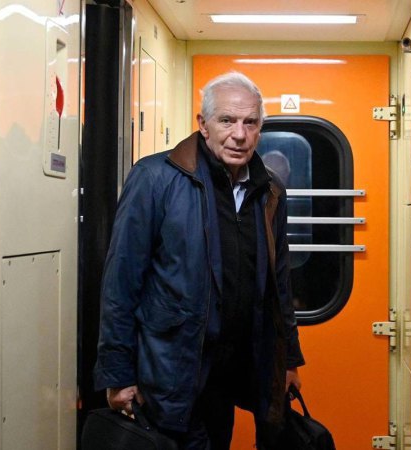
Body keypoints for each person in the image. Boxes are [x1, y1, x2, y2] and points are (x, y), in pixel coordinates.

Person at [93, 71, 305, 449]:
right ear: (203, 125)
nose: (239, 134)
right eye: (227, 120)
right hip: (169, 369)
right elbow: (121, 284)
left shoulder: (270, 189)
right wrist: (117, 373)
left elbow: (280, 284)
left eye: (250, 123)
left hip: (229, 373)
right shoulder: (155, 179)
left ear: (260, 129)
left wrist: (288, 360)